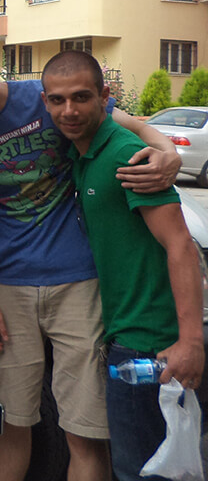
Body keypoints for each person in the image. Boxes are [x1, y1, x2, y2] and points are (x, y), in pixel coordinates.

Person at [0, 24, 181, 481]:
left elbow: (130, 125)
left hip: (79, 281)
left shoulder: (45, 98)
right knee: (9, 425)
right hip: (7, 287)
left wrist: (166, 153)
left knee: (84, 431)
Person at [40, 50, 204, 481]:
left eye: (81, 97)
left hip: (153, 343)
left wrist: (190, 341)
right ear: (45, 102)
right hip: (126, 334)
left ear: (104, 97)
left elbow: (181, 246)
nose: (69, 110)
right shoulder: (86, 153)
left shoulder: (127, 157)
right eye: (57, 100)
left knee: (142, 471)